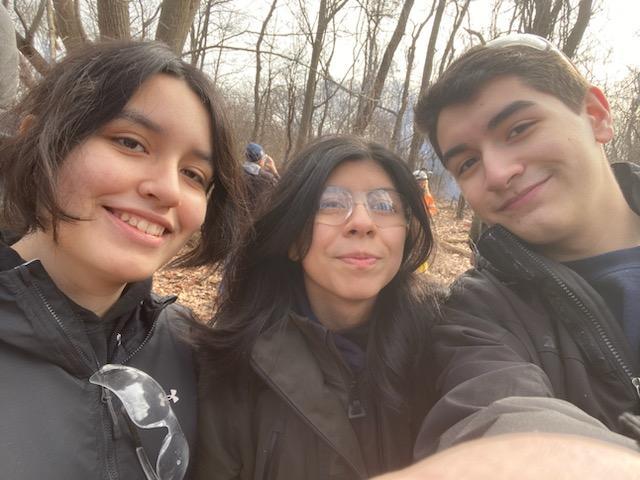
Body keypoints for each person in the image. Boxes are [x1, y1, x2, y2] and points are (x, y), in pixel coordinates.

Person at [0, 40, 245, 479]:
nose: (168, 190)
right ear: (34, 140)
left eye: (193, 174)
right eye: (131, 143)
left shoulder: (194, 350)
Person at [411, 32, 640, 456]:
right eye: (468, 163)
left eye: (518, 129)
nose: (498, 173)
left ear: (596, 116)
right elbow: (495, 416)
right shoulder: (478, 315)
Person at [194, 135, 441, 479]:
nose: (362, 222)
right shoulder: (231, 369)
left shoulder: (448, 341)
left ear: (405, 235)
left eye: (385, 205)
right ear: (293, 239)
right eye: (332, 203)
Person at [243, 142, 280, 211]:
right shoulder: (268, 178)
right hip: (259, 214)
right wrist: (275, 171)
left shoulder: (238, 172)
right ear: (260, 160)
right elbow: (281, 190)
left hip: (241, 213)